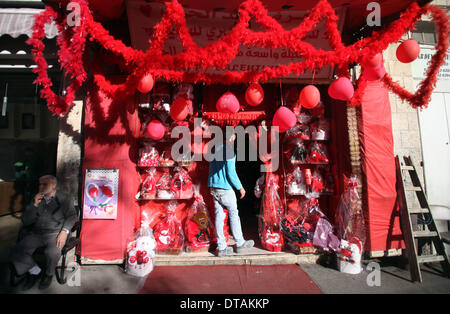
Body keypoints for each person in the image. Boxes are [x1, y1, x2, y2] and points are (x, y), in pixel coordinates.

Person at [9, 175, 78, 290]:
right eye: (40, 184)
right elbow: (26, 221)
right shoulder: (37, 198)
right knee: (17, 250)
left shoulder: (65, 198)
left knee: (52, 251)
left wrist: (64, 232)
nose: (41, 187)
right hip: (37, 233)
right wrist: (34, 205)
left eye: (44, 184)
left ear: (53, 185)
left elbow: (72, 216)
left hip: (56, 232)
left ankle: (48, 274)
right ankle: (34, 271)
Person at [208, 132, 254, 257]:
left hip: (214, 187)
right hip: (225, 188)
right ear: (230, 137)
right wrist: (240, 188)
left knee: (219, 215)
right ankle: (239, 243)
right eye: (233, 137)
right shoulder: (229, 151)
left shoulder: (214, 149)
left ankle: (222, 247)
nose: (234, 140)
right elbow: (231, 173)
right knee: (234, 214)